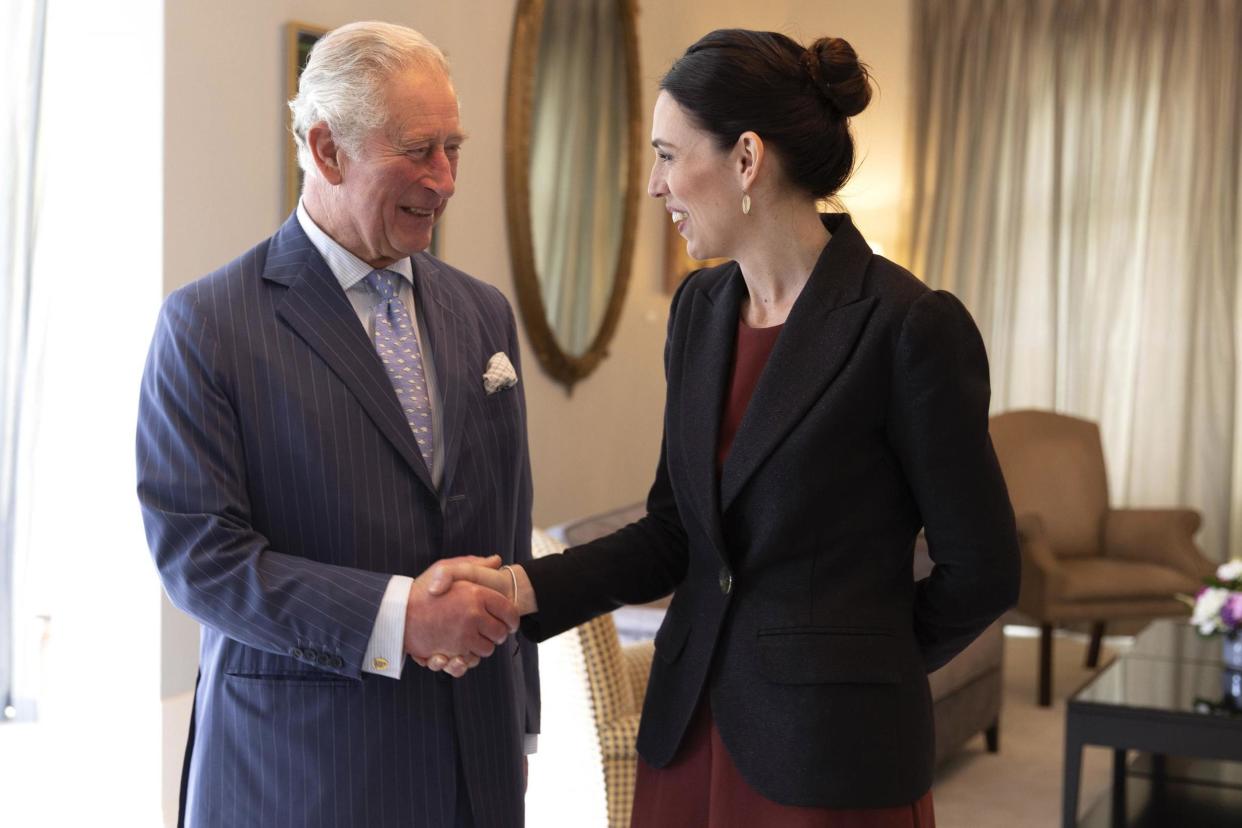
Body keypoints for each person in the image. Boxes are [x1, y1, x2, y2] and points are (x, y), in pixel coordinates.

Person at [432, 29, 1020, 826]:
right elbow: (674, 532)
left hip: (830, 757)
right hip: (686, 732)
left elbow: (982, 569)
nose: (653, 185)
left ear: (746, 159)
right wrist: (517, 589)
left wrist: (850, 668)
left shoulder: (909, 327)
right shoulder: (698, 314)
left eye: (669, 155)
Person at [136, 21, 537, 828]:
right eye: (420, 150)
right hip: (304, 774)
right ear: (326, 150)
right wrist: (401, 618)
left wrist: (517, 724)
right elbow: (201, 561)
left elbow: (509, 521)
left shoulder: (484, 312)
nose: (446, 178)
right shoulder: (207, 324)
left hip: (477, 771)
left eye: (454, 147)